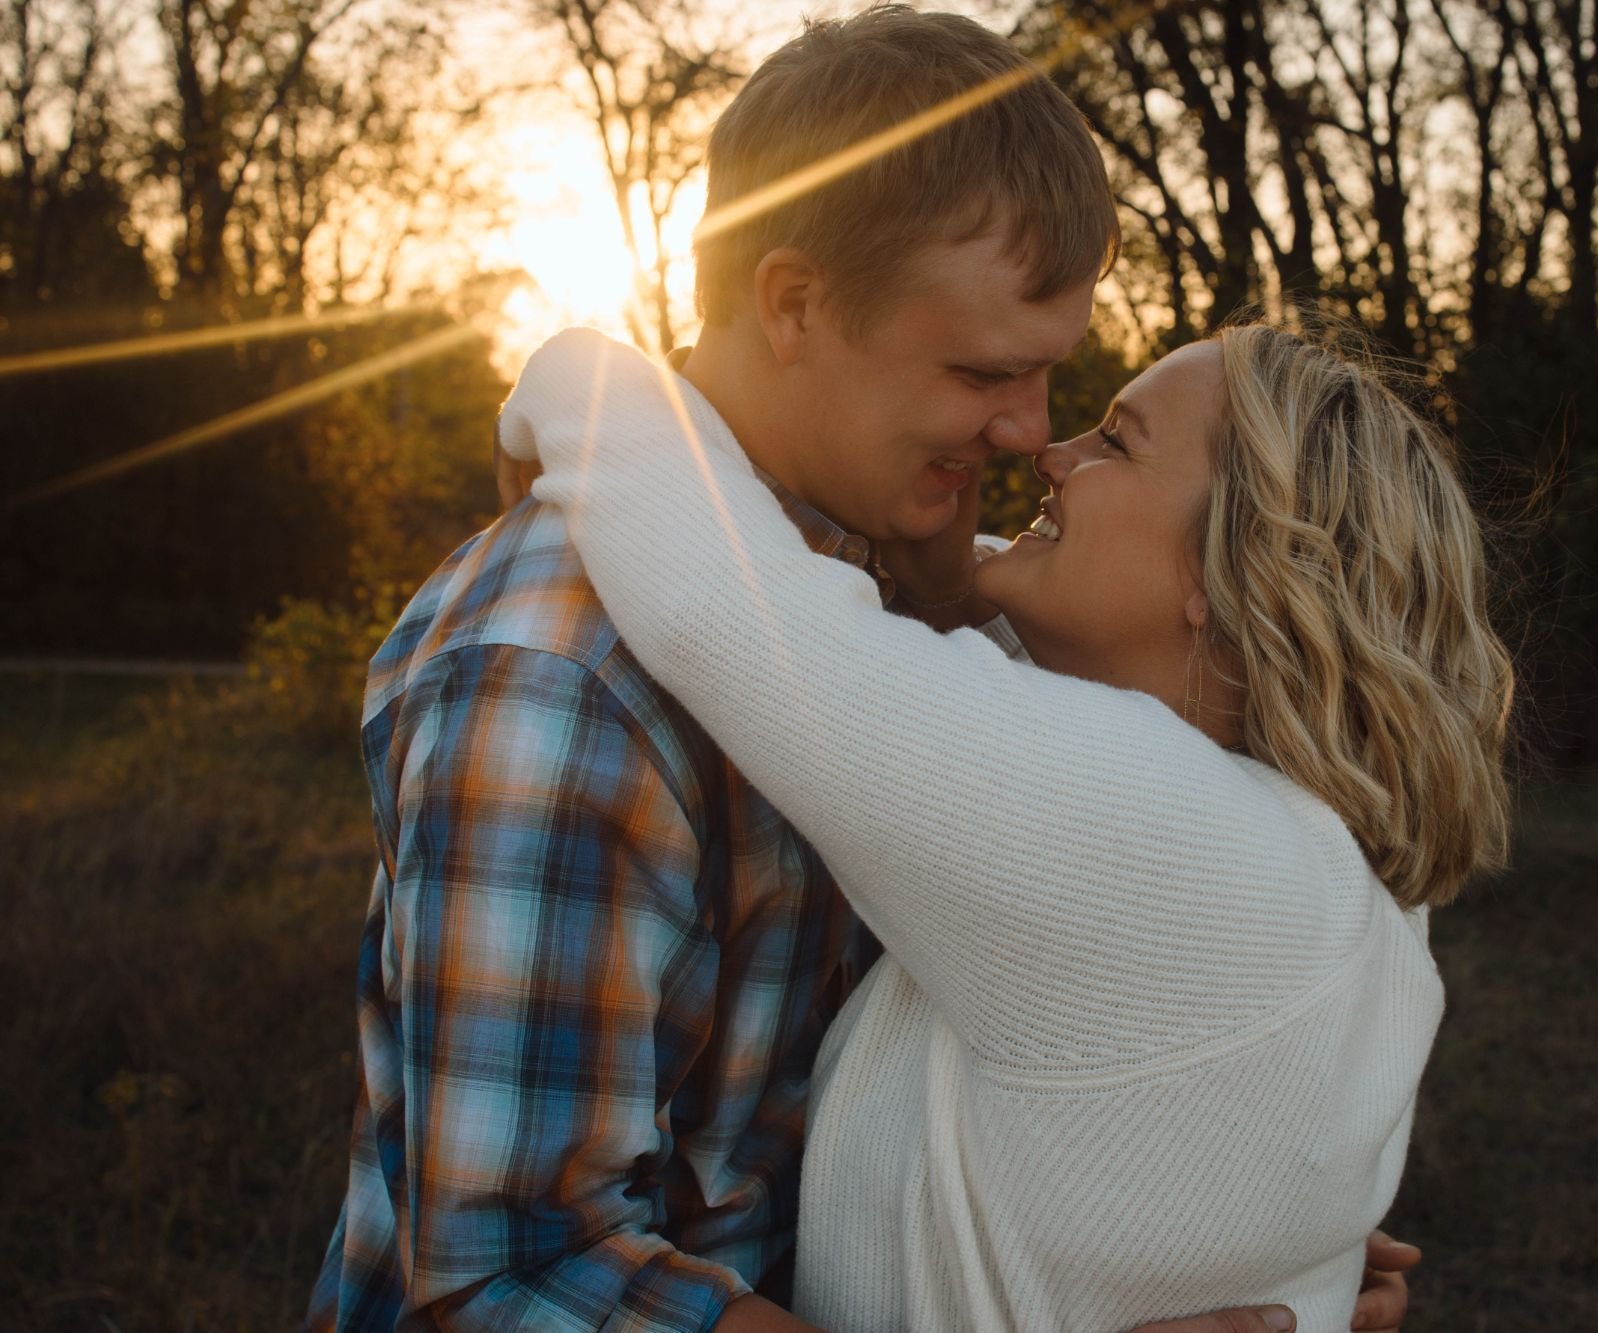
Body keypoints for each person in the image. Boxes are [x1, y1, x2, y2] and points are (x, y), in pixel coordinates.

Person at [308, 6, 1420, 1331]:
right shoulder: (560, 674)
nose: (1029, 433)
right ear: (793, 304)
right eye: (981, 371)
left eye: (1049, 376)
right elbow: (509, 1282)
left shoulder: (924, 597)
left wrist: (1227, 1226)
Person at [495, 311, 1511, 1330]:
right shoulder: (1316, 850)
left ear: (1228, 566)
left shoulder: (1160, 839)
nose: (1050, 451)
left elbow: (738, 612)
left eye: (1116, 443)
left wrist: (577, 377)